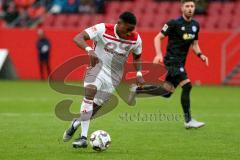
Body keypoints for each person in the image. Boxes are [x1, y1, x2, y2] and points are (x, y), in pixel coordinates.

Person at [63, 11, 144, 148]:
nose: (130, 32)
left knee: (94, 108)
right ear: (119, 23)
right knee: (90, 91)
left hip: (114, 77)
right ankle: (83, 138)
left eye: (132, 29)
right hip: (96, 68)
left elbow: (137, 57)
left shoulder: (135, 39)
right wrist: (89, 49)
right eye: (128, 29)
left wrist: (139, 74)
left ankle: (75, 123)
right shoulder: (102, 29)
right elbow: (78, 37)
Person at [128, 0, 209, 129]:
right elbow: (157, 37)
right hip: (171, 61)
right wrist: (158, 54)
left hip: (180, 62)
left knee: (166, 92)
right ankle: (188, 121)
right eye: (187, 6)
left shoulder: (195, 25)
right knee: (187, 86)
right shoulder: (174, 23)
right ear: (182, 8)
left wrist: (201, 55)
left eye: (192, 6)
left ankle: (137, 90)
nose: (190, 8)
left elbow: (194, 44)